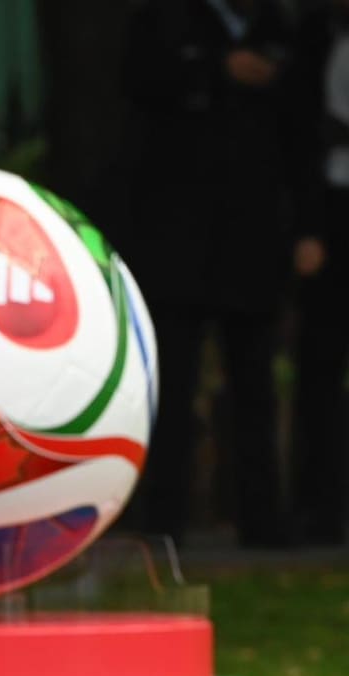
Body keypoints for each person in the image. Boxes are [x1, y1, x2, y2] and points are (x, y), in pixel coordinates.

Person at [121, 0, 291, 548]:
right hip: (179, 245)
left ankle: (263, 523)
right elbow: (140, 86)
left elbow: (297, 132)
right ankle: (162, 521)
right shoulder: (167, 19)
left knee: (254, 389)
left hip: (252, 241)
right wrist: (215, 70)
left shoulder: (277, 27)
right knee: (173, 386)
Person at [287, 0, 349, 547]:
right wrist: (306, 228)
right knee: (320, 366)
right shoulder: (312, 36)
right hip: (329, 215)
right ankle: (320, 507)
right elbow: (298, 137)